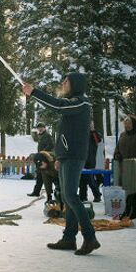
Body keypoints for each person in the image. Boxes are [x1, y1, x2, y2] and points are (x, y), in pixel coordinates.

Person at [23, 73, 100, 255]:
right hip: (66, 156)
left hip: (74, 156)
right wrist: (58, 157)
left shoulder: (80, 102)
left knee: (71, 197)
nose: (63, 83)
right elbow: (66, 132)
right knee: (67, 197)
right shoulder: (74, 103)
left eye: (66, 81)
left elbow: (57, 106)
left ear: (76, 84)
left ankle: (90, 237)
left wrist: (34, 92)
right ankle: (69, 238)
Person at [115, 115, 136, 220]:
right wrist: (117, 155)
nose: (127, 125)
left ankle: (132, 210)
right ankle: (129, 210)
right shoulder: (122, 135)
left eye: (129, 123)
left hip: (135, 165)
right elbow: (117, 149)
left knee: (134, 189)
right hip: (125, 166)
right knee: (128, 189)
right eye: (125, 124)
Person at [28, 122, 55, 197]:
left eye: (41, 127)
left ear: (44, 128)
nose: (40, 129)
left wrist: (43, 152)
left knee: (48, 176)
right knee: (39, 175)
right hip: (40, 157)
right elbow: (34, 137)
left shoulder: (47, 136)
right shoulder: (40, 136)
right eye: (38, 127)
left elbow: (51, 145)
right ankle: (36, 192)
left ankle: (51, 193)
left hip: (46, 158)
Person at [79, 122, 102, 202]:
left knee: (90, 179)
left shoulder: (93, 134)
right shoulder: (81, 133)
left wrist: (93, 130)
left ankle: (97, 195)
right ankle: (83, 196)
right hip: (81, 160)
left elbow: (98, 140)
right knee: (81, 179)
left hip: (90, 160)